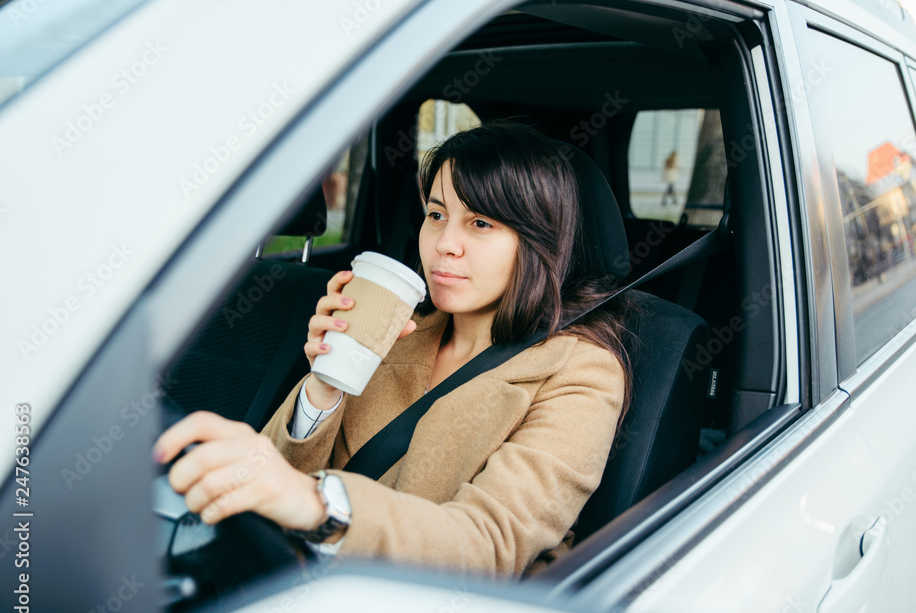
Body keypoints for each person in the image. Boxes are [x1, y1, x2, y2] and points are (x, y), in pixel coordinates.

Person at [153, 121, 630, 579]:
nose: (445, 244)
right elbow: (274, 487)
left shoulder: (582, 371)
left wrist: (318, 504)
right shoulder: (400, 328)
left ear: (539, 240)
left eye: (480, 223)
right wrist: (324, 382)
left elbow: (488, 548)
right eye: (437, 214)